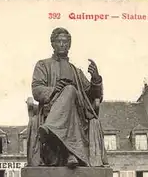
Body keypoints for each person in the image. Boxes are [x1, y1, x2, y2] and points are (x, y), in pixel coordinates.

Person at [28, 27, 107, 168]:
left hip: (77, 114)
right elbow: (36, 90)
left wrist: (95, 79)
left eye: (65, 42)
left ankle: (50, 129)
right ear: (52, 44)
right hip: (52, 110)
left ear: (69, 45)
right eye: (58, 41)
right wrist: (53, 90)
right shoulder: (43, 65)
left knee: (70, 90)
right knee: (68, 91)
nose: (62, 44)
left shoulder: (76, 71)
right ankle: (71, 153)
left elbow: (94, 96)